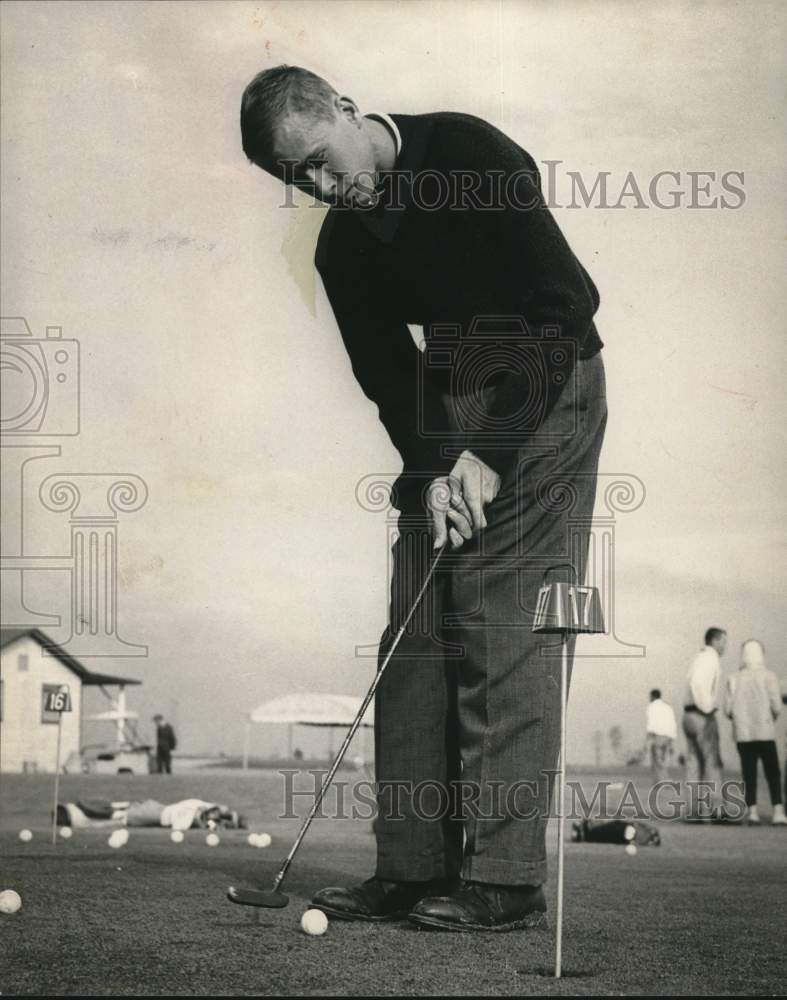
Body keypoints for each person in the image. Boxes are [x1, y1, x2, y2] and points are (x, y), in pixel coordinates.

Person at [240, 66, 607, 932]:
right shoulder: (341, 246)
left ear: (342, 106)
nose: (326, 186)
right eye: (301, 180)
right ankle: (410, 867)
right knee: (413, 630)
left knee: (498, 619)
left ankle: (505, 877)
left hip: (548, 386)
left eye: (323, 160)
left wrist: (489, 451)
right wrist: (437, 466)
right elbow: (387, 377)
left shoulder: (466, 154)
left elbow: (565, 306)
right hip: (448, 404)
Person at [724, 639, 786, 826]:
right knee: (772, 773)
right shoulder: (769, 676)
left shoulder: (733, 678)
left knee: (748, 773)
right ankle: (777, 811)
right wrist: (770, 717)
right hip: (765, 731)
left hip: (743, 734)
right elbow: (777, 705)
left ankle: (752, 812)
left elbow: (728, 709)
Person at [682, 627, 727, 820]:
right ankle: (715, 811)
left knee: (693, 764)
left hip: (688, 714)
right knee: (712, 764)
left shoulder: (698, 657)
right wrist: (707, 708)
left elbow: (691, 682)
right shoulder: (711, 659)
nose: (725, 646)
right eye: (724, 641)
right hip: (701, 714)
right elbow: (698, 684)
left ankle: (694, 812)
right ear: (715, 641)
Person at [645, 689, 677, 783]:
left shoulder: (651, 707)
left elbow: (651, 724)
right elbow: (672, 723)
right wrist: (672, 739)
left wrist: (647, 739)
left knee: (657, 760)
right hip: (668, 736)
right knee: (663, 759)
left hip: (658, 735)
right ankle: (659, 780)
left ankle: (663, 779)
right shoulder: (668, 707)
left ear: (653, 696)